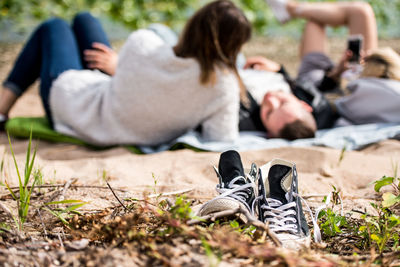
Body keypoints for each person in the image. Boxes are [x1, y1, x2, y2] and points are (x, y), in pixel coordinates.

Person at [0, 0, 251, 146]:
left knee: (54, 27)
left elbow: (150, 71)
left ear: (194, 26)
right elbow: (221, 139)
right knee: (84, 21)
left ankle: (2, 107)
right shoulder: (224, 87)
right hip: (122, 115)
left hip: (75, 109)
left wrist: (120, 66)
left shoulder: (143, 44)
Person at [240, 0, 400, 140]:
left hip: (317, 81)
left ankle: (291, 9)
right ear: (304, 105)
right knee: (361, 11)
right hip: (350, 75)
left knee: (315, 21)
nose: (270, 100)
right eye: (282, 102)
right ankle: (291, 9)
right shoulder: (389, 91)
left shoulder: (288, 119)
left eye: (269, 112)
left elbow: (307, 90)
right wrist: (339, 72)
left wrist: (280, 71)